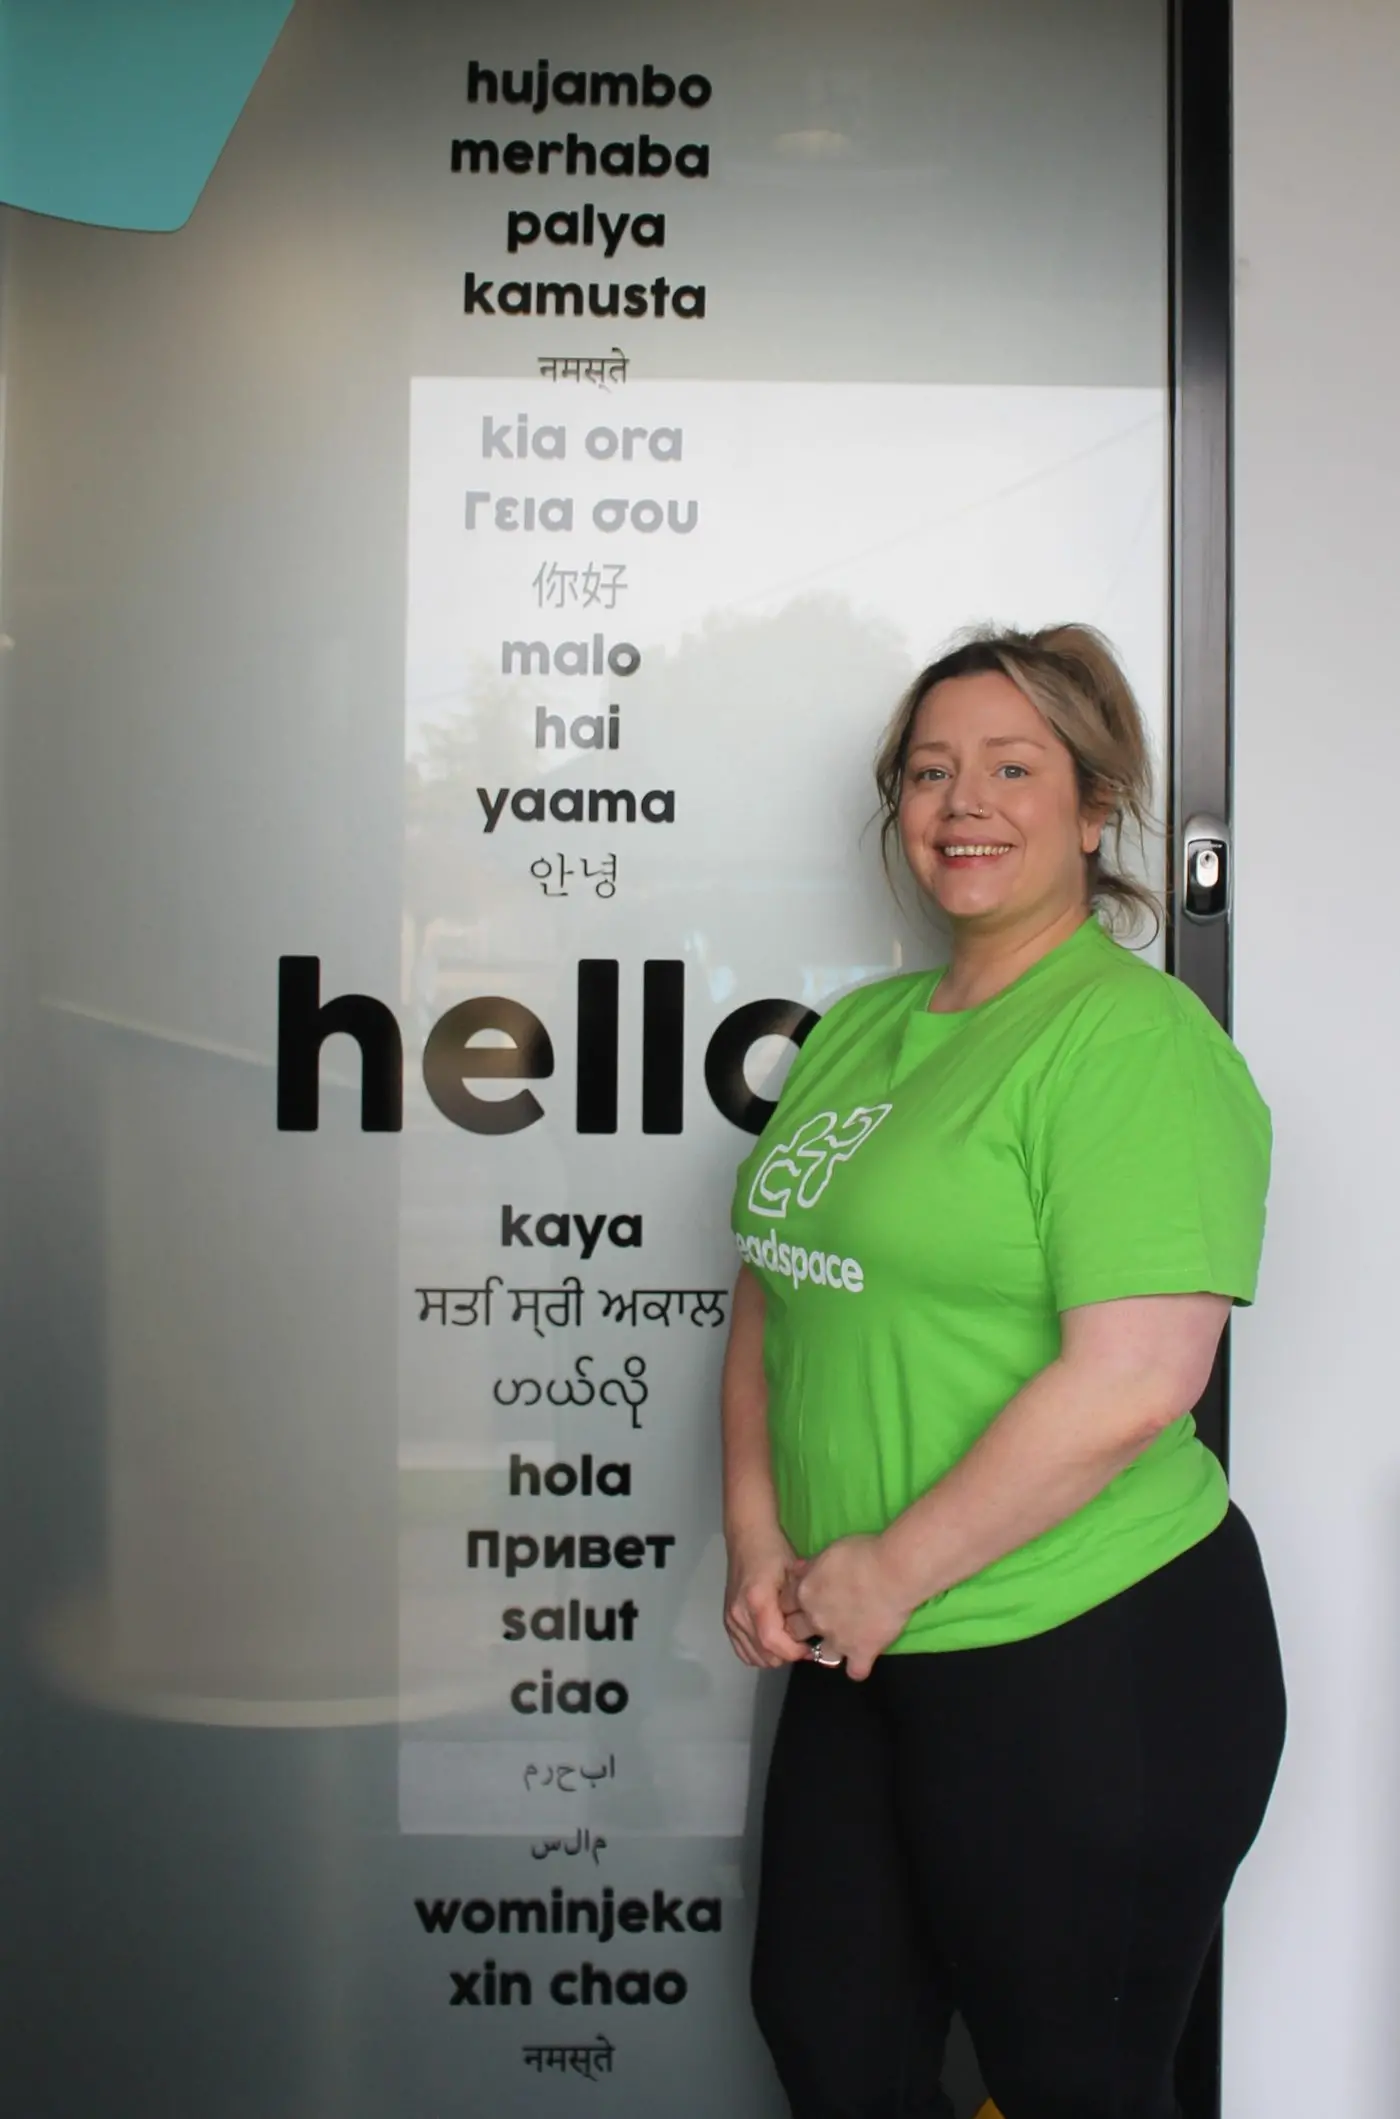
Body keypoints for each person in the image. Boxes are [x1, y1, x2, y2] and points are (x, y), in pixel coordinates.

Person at [721, 625, 1286, 2119]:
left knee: (1072, 2082)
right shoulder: (860, 1031)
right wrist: (761, 1535)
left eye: (1012, 766)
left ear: (1095, 807)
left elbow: (1138, 1378)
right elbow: (776, 1295)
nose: (962, 801)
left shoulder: (1132, 1043)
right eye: (929, 769)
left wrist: (888, 1565)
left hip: (1092, 1649)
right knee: (831, 2038)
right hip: (860, 1633)